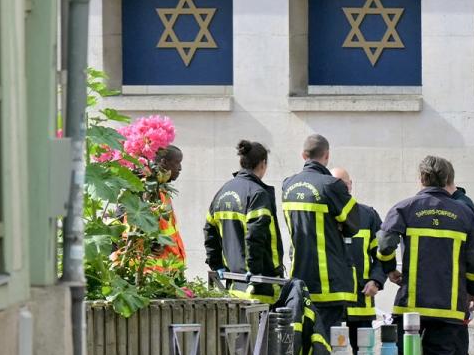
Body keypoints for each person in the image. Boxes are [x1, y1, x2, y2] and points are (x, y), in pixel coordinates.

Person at [375, 156, 474, 355]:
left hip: (412, 301)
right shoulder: (464, 214)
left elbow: (384, 243)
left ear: (421, 179)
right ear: (449, 181)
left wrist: (389, 268)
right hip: (448, 305)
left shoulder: (406, 208)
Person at [281, 134, 360, 337]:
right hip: (329, 283)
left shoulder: (288, 185)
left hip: (299, 278)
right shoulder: (332, 185)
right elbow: (353, 225)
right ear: (327, 155)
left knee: (302, 339)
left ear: (303, 155)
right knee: (323, 344)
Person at [203, 140, 285, 305]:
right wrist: (254, 270)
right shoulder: (257, 194)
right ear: (263, 164)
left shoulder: (222, 192)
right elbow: (255, 235)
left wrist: (216, 264)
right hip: (261, 286)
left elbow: (209, 230)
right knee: (264, 330)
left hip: (234, 284)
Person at [331, 167, 385, 355]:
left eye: (344, 183)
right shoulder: (322, 215)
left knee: (363, 351)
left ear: (351, 185)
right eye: (336, 184)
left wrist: (377, 280)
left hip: (361, 298)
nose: (341, 188)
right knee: (328, 350)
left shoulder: (368, 215)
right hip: (330, 298)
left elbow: (383, 254)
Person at [443, 164, 474, 355]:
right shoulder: (455, 204)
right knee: (447, 348)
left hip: (455, 290)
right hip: (448, 289)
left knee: (455, 347)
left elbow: (472, 252)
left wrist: (472, 289)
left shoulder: (462, 206)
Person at [149, 145, 187, 272]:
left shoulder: (161, 189)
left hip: (168, 271)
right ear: (164, 163)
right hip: (154, 272)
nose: (180, 168)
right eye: (177, 163)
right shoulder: (147, 190)